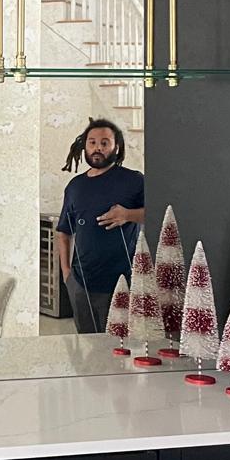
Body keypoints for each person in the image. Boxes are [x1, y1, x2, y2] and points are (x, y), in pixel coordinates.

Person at [54, 118, 144, 334]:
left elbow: (158, 213)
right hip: (81, 283)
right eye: (92, 142)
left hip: (122, 282)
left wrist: (128, 215)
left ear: (116, 147)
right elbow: (63, 232)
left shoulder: (134, 180)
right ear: (85, 146)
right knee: (87, 344)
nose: (98, 148)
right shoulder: (75, 186)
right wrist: (67, 275)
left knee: (119, 346)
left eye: (105, 143)